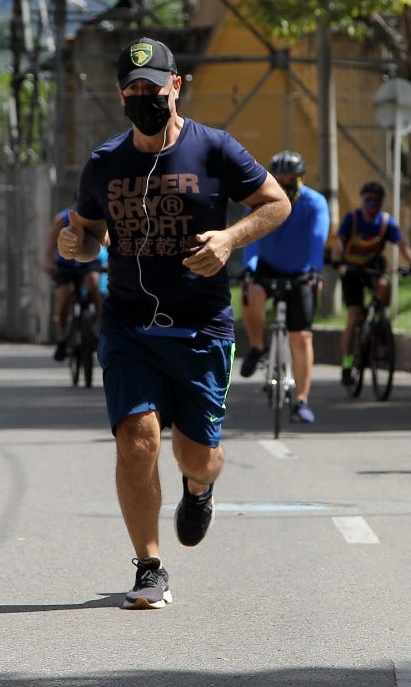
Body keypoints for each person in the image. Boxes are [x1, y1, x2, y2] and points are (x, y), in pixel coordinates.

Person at [59, 37, 289, 610]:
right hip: (129, 325)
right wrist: (75, 243)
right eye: (133, 89)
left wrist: (230, 238)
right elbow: (88, 238)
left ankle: (200, 486)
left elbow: (276, 202)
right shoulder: (105, 162)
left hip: (200, 325)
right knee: (137, 442)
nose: (144, 97)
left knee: (196, 454)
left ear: (175, 85)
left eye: (153, 87)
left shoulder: (215, 149)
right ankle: (149, 566)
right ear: (121, 93)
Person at [237, 150, 330, 424]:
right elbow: (250, 237)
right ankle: (256, 347)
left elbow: (318, 237)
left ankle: (301, 400)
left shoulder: (314, 202)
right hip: (266, 266)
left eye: (291, 179)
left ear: (301, 178)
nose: (285, 184)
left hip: (302, 271)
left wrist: (315, 269)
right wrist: (249, 268)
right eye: (279, 178)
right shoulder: (259, 199)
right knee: (250, 291)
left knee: (301, 336)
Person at [331, 181, 411, 386]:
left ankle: (380, 324)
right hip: (352, 270)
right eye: (368, 199)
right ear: (362, 200)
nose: (372, 204)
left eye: (376, 200)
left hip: (373, 268)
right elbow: (339, 242)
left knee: (384, 285)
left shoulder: (386, 222)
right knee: (353, 315)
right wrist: (339, 263)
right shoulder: (352, 219)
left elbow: (402, 244)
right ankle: (347, 364)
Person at [42, 209, 107, 361]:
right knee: (64, 294)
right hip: (66, 265)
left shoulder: (98, 215)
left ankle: (97, 327)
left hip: (89, 263)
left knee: (93, 283)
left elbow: (107, 239)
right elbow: (51, 244)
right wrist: (47, 261)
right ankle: (62, 336)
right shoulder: (62, 219)